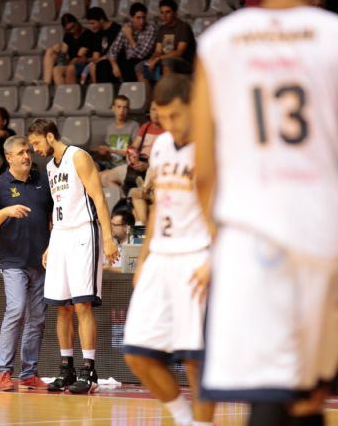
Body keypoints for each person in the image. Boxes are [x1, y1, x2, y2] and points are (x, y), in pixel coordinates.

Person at [191, 1, 338, 425]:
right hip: (325, 235)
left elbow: (204, 169)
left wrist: (217, 243)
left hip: (249, 237)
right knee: (307, 399)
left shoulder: (219, 41)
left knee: (268, 396)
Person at [123, 75, 214, 426]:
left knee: (195, 358)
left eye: (177, 116)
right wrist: (144, 257)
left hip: (197, 255)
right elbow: (160, 203)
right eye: (164, 118)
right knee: (137, 352)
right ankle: (184, 418)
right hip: (160, 255)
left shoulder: (212, 146)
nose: (171, 125)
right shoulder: (160, 146)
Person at [28, 118, 119, 394]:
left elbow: (99, 199)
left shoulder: (78, 157)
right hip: (61, 236)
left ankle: (88, 371)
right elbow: (59, 207)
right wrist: (50, 245)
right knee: (62, 307)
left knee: (82, 305)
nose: (34, 149)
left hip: (83, 234)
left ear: (51, 136)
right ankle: (66, 369)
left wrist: (108, 237)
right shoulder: (49, 167)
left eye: (36, 143)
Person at [0, 135, 53, 392]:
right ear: (9, 157)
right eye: (21, 152)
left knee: (38, 319)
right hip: (13, 262)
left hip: (41, 262)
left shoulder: (43, 181)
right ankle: (4, 372)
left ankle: (29, 373)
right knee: (15, 310)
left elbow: (55, 218)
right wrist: (4, 212)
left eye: (28, 152)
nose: (26, 156)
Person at [138, 0, 196, 87]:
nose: (164, 16)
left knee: (167, 62)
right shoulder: (162, 29)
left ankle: (168, 95)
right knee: (141, 66)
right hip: (164, 60)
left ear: (175, 13)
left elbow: (179, 52)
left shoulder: (183, 27)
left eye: (168, 12)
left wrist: (158, 59)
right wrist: (153, 59)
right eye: (162, 13)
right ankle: (150, 97)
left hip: (184, 63)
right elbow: (158, 50)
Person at [101, 2, 157, 83]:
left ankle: (130, 92)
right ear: (132, 17)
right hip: (128, 60)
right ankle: (106, 93)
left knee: (129, 65)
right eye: (138, 18)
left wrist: (129, 37)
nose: (142, 21)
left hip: (145, 59)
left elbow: (141, 55)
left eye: (144, 18)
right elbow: (113, 50)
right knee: (102, 65)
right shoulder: (126, 27)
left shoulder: (151, 29)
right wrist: (114, 65)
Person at [43, 14, 95, 86]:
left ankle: (68, 93)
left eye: (73, 27)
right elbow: (64, 52)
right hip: (70, 62)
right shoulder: (68, 35)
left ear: (76, 22)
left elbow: (78, 57)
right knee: (51, 54)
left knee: (69, 68)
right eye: (68, 29)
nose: (72, 30)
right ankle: (47, 84)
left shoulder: (88, 34)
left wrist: (65, 61)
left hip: (82, 63)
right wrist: (57, 49)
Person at [95, 95, 140, 170]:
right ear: (113, 108)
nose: (122, 110)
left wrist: (111, 150)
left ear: (128, 109)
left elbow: (133, 153)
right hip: (111, 164)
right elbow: (109, 155)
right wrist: (104, 152)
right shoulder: (110, 128)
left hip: (126, 165)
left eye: (125, 107)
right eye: (119, 107)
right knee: (92, 165)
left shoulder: (134, 126)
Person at [82, 7, 121, 85]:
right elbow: (95, 56)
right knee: (93, 66)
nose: (92, 27)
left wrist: (98, 60)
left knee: (101, 66)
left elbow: (115, 52)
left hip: (116, 60)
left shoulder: (117, 29)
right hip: (102, 62)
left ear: (101, 20)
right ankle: (98, 93)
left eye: (93, 23)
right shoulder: (98, 33)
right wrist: (88, 60)